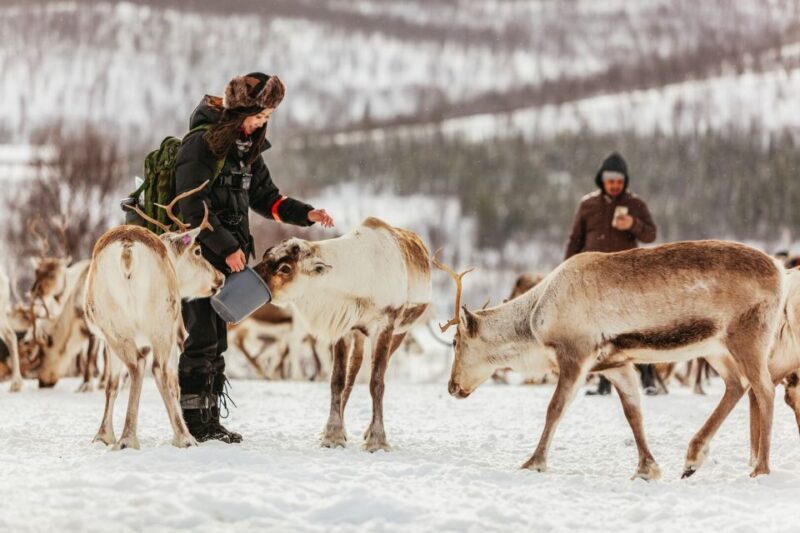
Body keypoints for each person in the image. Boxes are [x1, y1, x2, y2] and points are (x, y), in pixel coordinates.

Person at [174, 72, 334, 443]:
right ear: (239, 111)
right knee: (200, 337)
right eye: (259, 116)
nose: (262, 123)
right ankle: (194, 422)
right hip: (199, 259)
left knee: (218, 340)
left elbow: (267, 199)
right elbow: (189, 206)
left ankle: (209, 418)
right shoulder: (198, 147)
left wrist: (305, 214)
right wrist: (227, 247)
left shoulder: (247, 153)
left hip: (230, 260)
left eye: (266, 118)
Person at [564, 152, 658, 395]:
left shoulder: (635, 204)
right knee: (601, 332)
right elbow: (575, 240)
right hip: (595, 280)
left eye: (619, 181)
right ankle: (604, 383)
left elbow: (651, 235)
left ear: (625, 181)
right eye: (611, 181)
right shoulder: (588, 205)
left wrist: (633, 225)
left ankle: (648, 380)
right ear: (602, 180)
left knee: (636, 329)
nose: (615, 185)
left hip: (629, 279)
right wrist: (566, 273)